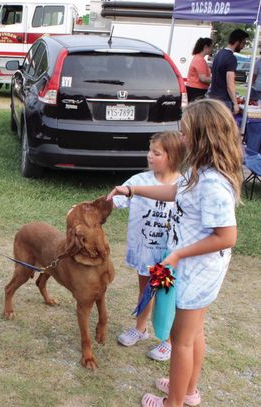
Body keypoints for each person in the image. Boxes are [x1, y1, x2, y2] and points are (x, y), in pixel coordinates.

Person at [107, 98, 243, 407]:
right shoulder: (200, 171)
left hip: (196, 272)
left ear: (202, 136)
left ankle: (174, 402)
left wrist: (178, 256)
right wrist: (132, 189)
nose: (180, 138)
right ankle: (189, 390)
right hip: (193, 268)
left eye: (184, 133)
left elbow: (227, 236)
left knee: (181, 340)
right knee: (193, 334)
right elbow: (175, 193)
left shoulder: (213, 183)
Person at [114, 131, 186, 362]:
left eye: (156, 153)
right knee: (145, 291)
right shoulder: (138, 181)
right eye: (149, 151)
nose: (149, 156)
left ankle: (169, 341)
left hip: (168, 258)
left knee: (168, 297)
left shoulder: (183, 185)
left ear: (173, 156)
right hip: (144, 253)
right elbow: (113, 200)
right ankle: (140, 328)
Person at [208, 29, 249, 114]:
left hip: (213, 97)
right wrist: (235, 103)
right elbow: (230, 84)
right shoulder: (231, 58)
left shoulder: (219, 54)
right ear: (237, 42)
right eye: (243, 43)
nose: (243, 46)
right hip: (223, 101)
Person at [185, 37, 212, 102]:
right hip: (197, 91)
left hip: (194, 90)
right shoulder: (200, 60)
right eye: (211, 47)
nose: (212, 49)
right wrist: (216, 80)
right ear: (205, 47)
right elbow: (203, 78)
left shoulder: (197, 58)